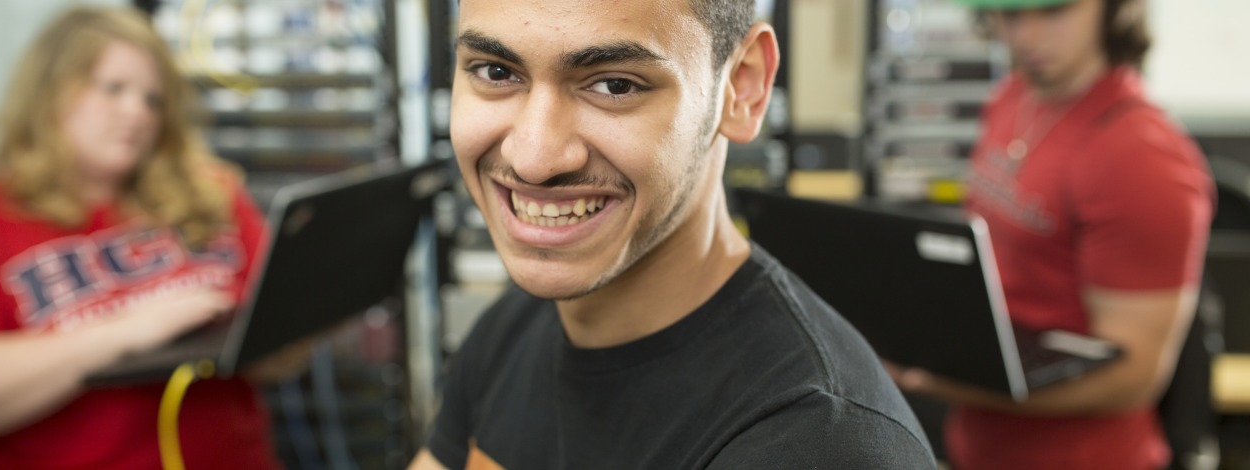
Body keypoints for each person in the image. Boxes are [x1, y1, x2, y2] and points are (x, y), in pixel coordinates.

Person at [407, 0, 938, 468]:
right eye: (496, 72)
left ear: (742, 87)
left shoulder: (822, 444)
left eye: (615, 85)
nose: (535, 158)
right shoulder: (511, 330)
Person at [885, 0, 1213, 469]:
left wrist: (935, 380)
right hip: (977, 447)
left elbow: (1134, 379)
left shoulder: (1143, 159)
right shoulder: (1012, 97)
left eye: (1054, 11)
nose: (1027, 36)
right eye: (1011, 14)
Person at [0, 6, 281, 469]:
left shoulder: (211, 195)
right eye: (113, 89)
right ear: (50, 92)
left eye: (153, 100)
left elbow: (277, 352)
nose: (136, 112)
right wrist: (129, 332)